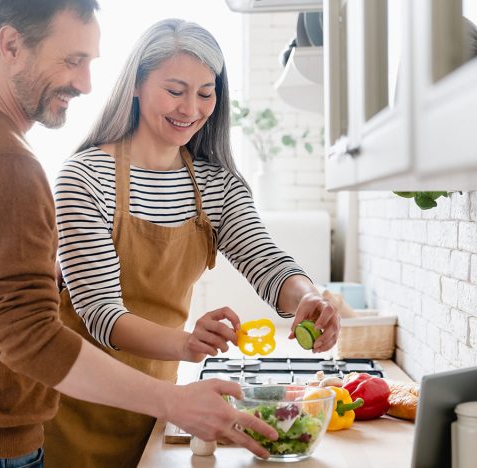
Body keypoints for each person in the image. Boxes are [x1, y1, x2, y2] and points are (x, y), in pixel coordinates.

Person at [0, 2, 278, 467]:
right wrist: (176, 401)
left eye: (90, 63)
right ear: (10, 45)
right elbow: (30, 337)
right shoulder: (3, 161)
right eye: (72, 61)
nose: (86, 83)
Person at [47, 18, 340, 467]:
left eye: (206, 93)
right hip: (72, 411)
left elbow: (267, 262)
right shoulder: (85, 177)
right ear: (136, 86)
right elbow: (101, 314)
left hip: (159, 408)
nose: (191, 107)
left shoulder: (216, 185)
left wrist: (309, 298)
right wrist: (187, 343)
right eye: (175, 89)